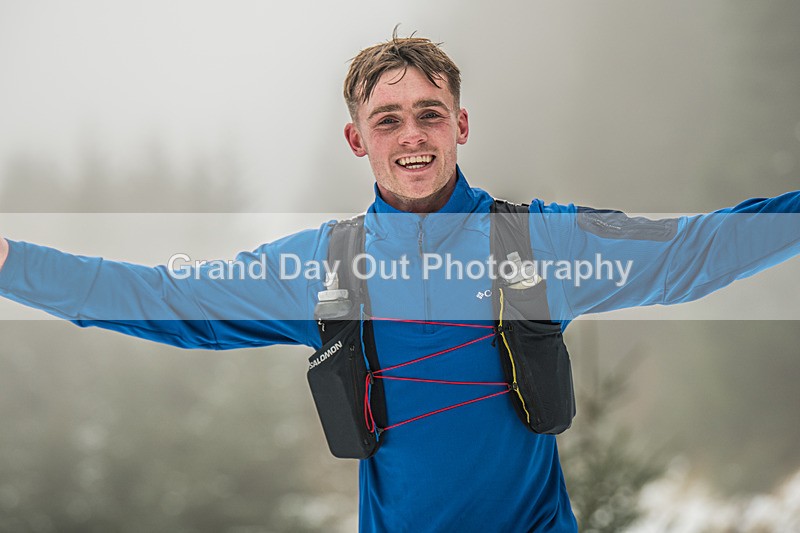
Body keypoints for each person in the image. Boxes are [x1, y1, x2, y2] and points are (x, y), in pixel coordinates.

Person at [1, 33, 799, 532]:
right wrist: (11, 264)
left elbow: (701, 249)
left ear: (460, 124)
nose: (411, 135)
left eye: (430, 112)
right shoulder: (325, 267)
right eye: (388, 119)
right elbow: (162, 297)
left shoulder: (536, 244)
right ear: (358, 138)